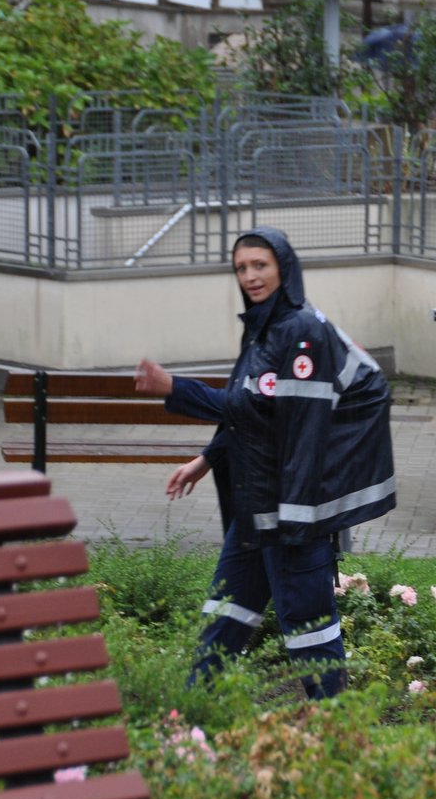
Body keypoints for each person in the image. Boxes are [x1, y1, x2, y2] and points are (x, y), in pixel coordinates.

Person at [136, 227, 396, 699]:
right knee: (226, 612)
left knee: (308, 626)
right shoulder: (263, 329)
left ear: (283, 267)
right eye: (241, 268)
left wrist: (175, 388)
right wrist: (207, 459)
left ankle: (336, 732)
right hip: (258, 506)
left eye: (260, 265)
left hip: (292, 514)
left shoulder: (301, 331)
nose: (251, 276)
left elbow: (299, 428)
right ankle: (194, 716)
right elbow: (250, 411)